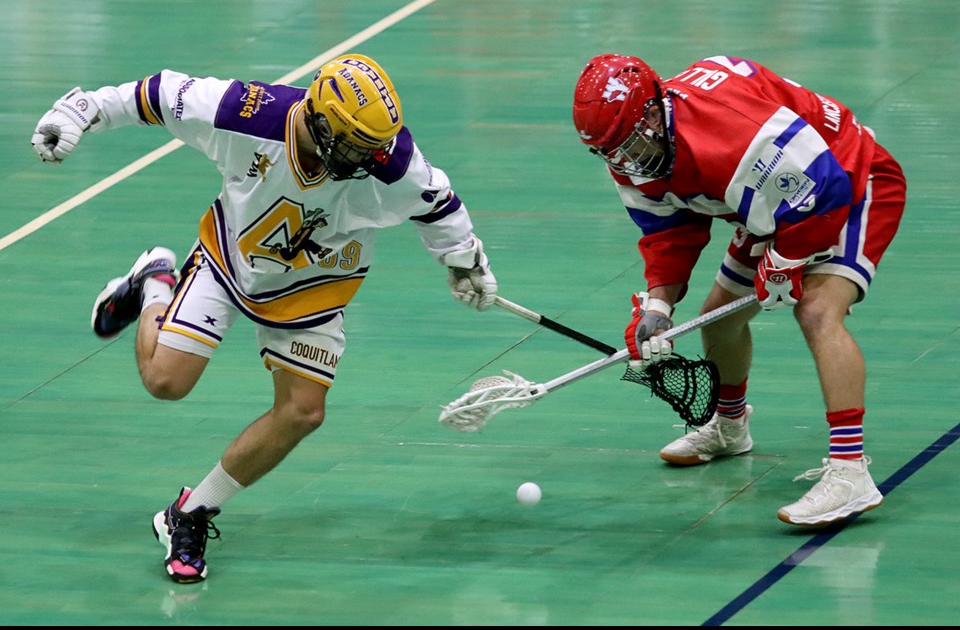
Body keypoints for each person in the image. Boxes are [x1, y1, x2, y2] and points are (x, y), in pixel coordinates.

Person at [30, 53, 499, 583]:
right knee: (165, 382)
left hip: (312, 287)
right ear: (320, 121)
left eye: (374, 146)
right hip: (229, 261)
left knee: (303, 412)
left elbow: (440, 206)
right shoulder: (248, 114)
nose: (368, 158)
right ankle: (156, 283)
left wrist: (465, 265)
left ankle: (190, 512)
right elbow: (159, 93)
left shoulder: (389, 159)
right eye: (353, 145)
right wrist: (82, 108)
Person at [572, 54, 905, 527]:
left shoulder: (736, 136)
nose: (622, 161)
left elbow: (825, 190)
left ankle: (851, 472)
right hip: (776, 198)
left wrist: (785, 262)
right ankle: (730, 427)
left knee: (815, 309)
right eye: (607, 150)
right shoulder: (631, 149)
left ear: (651, 112)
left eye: (624, 144)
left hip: (851, 180)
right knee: (722, 314)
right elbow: (668, 234)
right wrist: (658, 305)